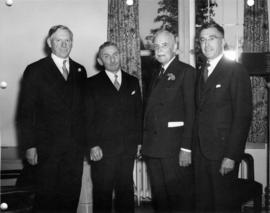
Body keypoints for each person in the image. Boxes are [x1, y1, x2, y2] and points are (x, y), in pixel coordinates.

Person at [16, 25, 87, 212]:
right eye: (59, 40)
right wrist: (30, 145)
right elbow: (25, 112)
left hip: (74, 150)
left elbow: (83, 112)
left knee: (71, 197)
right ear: (49, 43)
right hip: (46, 149)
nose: (64, 45)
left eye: (67, 40)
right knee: (46, 199)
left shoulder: (81, 71)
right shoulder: (35, 70)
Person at [194, 21, 252, 212]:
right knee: (203, 204)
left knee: (223, 205)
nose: (206, 44)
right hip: (201, 153)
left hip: (222, 153)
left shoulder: (235, 70)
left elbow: (242, 116)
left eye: (212, 38)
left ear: (223, 42)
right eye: (202, 40)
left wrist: (231, 155)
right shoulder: (200, 72)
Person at [84, 41, 143, 213]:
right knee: (102, 194)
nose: (112, 59)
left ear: (120, 55)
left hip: (127, 148)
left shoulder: (133, 82)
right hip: (102, 150)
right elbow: (87, 117)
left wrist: (139, 141)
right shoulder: (91, 84)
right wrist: (93, 144)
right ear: (100, 60)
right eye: (106, 56)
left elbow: (138, 114)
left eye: (115, 54)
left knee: (125, 192)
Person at [142, 30, 196, 212]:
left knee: (178, 200)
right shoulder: (156, 73)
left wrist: (186, 148)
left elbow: (191, 113)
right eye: (156, 46)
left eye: (164, 45)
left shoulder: (186, 72)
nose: (159, 49)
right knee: (161, 200)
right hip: (154, 148)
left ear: (175, 47)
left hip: (174, 149)